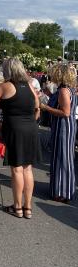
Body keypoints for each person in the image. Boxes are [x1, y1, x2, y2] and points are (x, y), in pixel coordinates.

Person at [0, 58, 40, 219]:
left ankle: (17, 207)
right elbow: (37, 107)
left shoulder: (5, 86)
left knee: (17, 169)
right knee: (28, 168)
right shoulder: (29, 86)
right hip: (31, 129)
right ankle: (27, 208)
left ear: (7, 71)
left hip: (15, 129)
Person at [39, 64, 77, 203]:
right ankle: (62, 190)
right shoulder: (67, 89)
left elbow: (65, 112)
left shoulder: (64, 91)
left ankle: (62, 192)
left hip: (64, 127)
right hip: (65, 126)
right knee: (62, 156)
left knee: (62, 157)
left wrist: (45, 107)